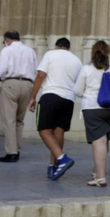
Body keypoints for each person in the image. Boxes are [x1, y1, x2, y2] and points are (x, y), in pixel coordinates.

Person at [29, 38, 83, 181]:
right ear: (69, 48)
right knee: (59, 131)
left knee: (44, 130)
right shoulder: (77, 60)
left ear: (56, 46)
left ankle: (62, 158)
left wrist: (32, 97)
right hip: (68, 99)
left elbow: (41, 75)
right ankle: (54, 165)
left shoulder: (50, 54)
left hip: (51, 95)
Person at [74, 40, 110, 187]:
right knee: (104, 140)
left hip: (93, 108)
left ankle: (101, 177)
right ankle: (96, 171)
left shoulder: (87, 69)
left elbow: (77, 91)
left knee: (99, 141)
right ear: (108, 52)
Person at [0, 31, 38, 163]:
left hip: (11, 83)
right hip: (27, 84)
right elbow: (36, 69)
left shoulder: (7, 50)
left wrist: (0, 77)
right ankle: (16, 148)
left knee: (9, 119)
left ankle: (12, 152)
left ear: (7, 39)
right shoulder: (30, 51)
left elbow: (1, 70)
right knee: (19, 120)